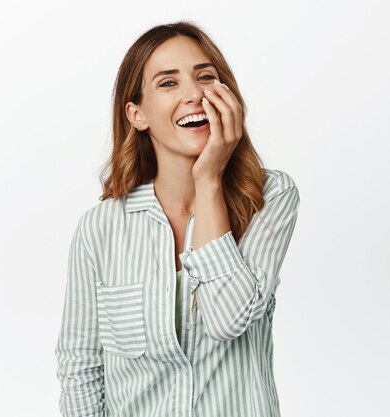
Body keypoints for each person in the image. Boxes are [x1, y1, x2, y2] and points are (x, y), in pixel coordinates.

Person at [54, 21, 301, 417]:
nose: (194, 94)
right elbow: (82, 369)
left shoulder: (269, 198)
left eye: (205, 77)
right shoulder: (100, 228)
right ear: (137, 115)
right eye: (168, 83)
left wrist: (209, 179)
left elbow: (226, 319)